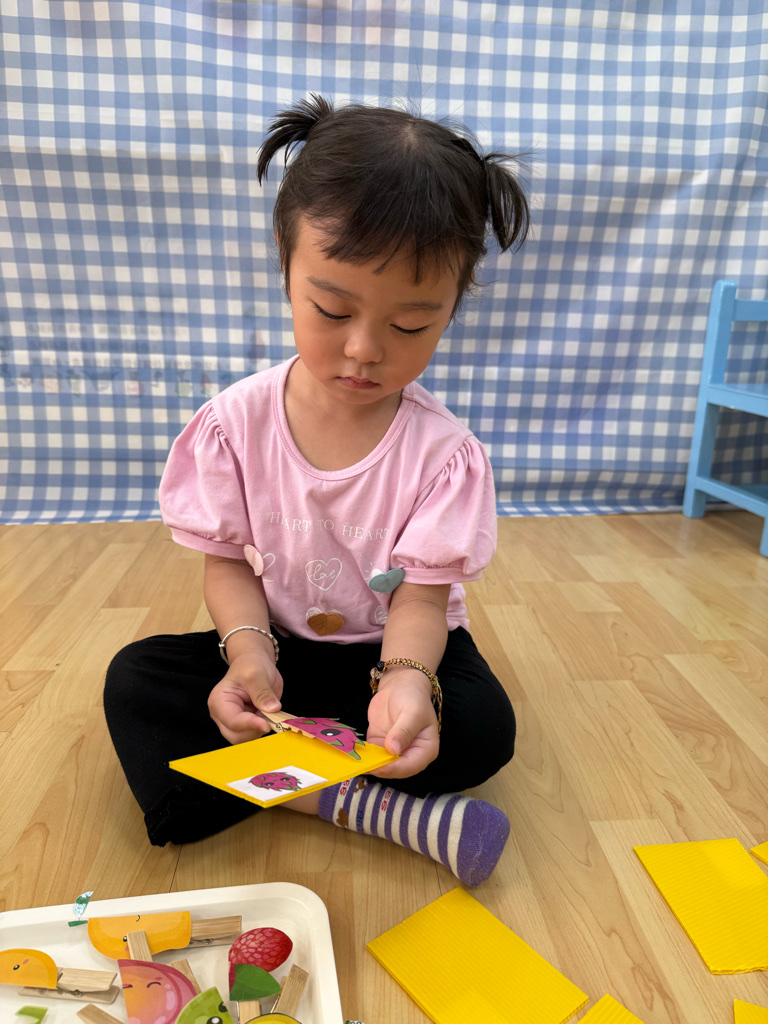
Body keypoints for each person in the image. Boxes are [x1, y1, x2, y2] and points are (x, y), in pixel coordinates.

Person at [105, 94, 530, 887]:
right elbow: (227, 564)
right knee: (136, 680)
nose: (364, 350)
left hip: (391, 653)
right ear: (285, 260)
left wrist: (406, 682)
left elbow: (421, 599)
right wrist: (247, 655)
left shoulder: (445, 454)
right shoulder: (234, 424)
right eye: (332, 309)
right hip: (284, 656)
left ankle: (283, 779)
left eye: (411, 326)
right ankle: (359, 803)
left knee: (484, 726)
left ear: (454, 303)